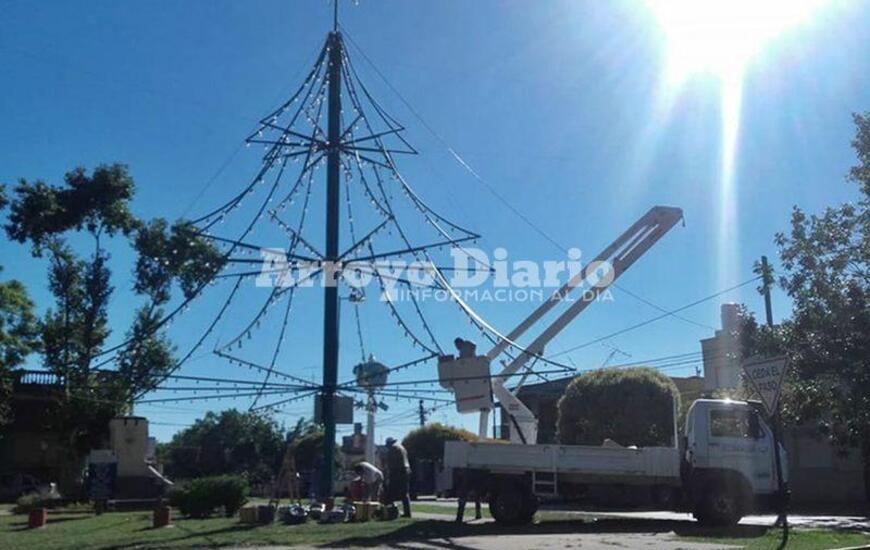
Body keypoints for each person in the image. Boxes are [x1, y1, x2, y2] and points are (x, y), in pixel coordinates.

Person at [383, 437, 412, 518]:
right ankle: (407, 512)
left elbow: (390, 462)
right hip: (406, 470)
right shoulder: (402, 447)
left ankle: (389, 511)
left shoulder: (393, 448)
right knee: (404, 493)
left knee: (390, 492)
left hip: (398, 471)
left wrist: (387, 473)